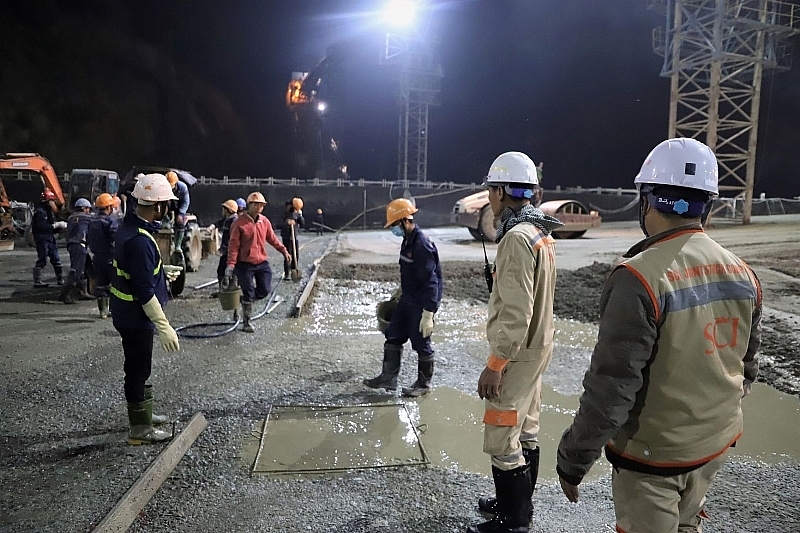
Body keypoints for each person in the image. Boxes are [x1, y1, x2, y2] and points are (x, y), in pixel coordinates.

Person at [556, 138, 762, 533]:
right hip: (714, 446)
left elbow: (611, 389)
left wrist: (573, 458)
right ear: (709, 203)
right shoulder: (743, 273)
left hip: (654, 459)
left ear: (646, 201)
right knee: (688, 525)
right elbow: (746, 367)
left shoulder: (638, 278)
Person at [467, 152, 563, 533]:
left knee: (502, 429)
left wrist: (495, 364)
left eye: (491, 191)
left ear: (503, 192)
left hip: (519, 352)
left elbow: (516, 313)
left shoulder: (516, 239)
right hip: (539, 346)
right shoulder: (540, 232)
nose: (489, 198)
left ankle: (513, 521)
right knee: (527, 427)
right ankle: (517, 504)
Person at [110, 173, 182, 445]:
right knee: (138, 368)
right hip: (135, 317)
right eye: (165, 205)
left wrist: (163, 274)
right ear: (160, 206)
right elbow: (142, 291)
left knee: (141, 366)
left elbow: (137, 274)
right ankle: (139, 428)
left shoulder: (131, 229)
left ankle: (145, 415)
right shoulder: (140, 241)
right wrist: (164, 326)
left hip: (126, 313)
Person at [363, 198, 443, 398]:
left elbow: (431, 281)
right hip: (407, 298)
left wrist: (428, 313)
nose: (393, 230)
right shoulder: (407, 241)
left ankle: (424, 383)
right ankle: (388, 377)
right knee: (393, 334)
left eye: (394, 225)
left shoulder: (422, 245)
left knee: (420, 342)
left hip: (421, 302)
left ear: (405, 221)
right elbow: (409, 272)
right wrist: (399, 292)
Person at [224, 192, 291, 333]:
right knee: (248, 291)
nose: (259, 207)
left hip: (261, 262)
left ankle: (244, 301)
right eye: (256, 204)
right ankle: (246, 322)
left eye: (261, 205)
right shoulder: (239, 223)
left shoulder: (264, 222)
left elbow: (272, 239)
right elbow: (233, 245)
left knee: (265, 290)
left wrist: (284, 251)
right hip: (244, 264)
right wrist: (230, 265)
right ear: (249, 205)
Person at [87, 193, 118, 318]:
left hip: (97, 257)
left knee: (101, 284)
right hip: (109, 256)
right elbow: (116, 237)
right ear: (109, 207)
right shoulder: (109, 221)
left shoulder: (92, 221)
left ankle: (103, 311)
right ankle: (115, 310)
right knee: (115, 285)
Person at [59, 198, 94, 304]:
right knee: (76, 271)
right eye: (88, 208)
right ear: (84, 208)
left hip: (72, 245)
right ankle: (64, 294)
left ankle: (82, 291)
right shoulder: (86, 217)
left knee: (86, 267)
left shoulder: (71, 217)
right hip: (79, 245)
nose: (89, 210)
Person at [31, 188, 65, 287]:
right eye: (52, 201)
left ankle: (60, 279)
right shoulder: (40, 213)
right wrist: (56, 226)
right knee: (42, 258)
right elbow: (42, 227)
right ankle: (37, 281)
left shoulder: (47, 212)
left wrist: (58, 228)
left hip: (49, 238)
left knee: (56, 258)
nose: (53, 203)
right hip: (42, 239)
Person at [278, 198, 305, 280]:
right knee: (287, 255)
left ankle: (294, 270)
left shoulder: (297, 213)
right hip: (286, 237)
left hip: (294, 237)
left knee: (296, 255)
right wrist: (287, 222)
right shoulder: (285, 213)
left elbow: (303, 224)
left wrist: (300, 216)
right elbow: (278, 224)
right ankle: (287, 273)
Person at [165, 170, 190, 256]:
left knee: (180, 222)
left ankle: (178, 245)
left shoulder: (183, 188)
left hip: (178, 206)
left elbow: (186, 202)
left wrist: (181, 213)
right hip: (167, 206)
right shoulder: (163, 187)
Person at [214, 199, 239, 283]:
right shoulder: (228, 219)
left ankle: (229, 291)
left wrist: (222, 250)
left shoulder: (233, 221)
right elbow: (220, 222)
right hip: (228, 251)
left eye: (224, 209)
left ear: (228, 210)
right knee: (222, 270)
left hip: (230, 251)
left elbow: (231, 238)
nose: (222, 211)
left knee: (226, 271)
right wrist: (213, 226)